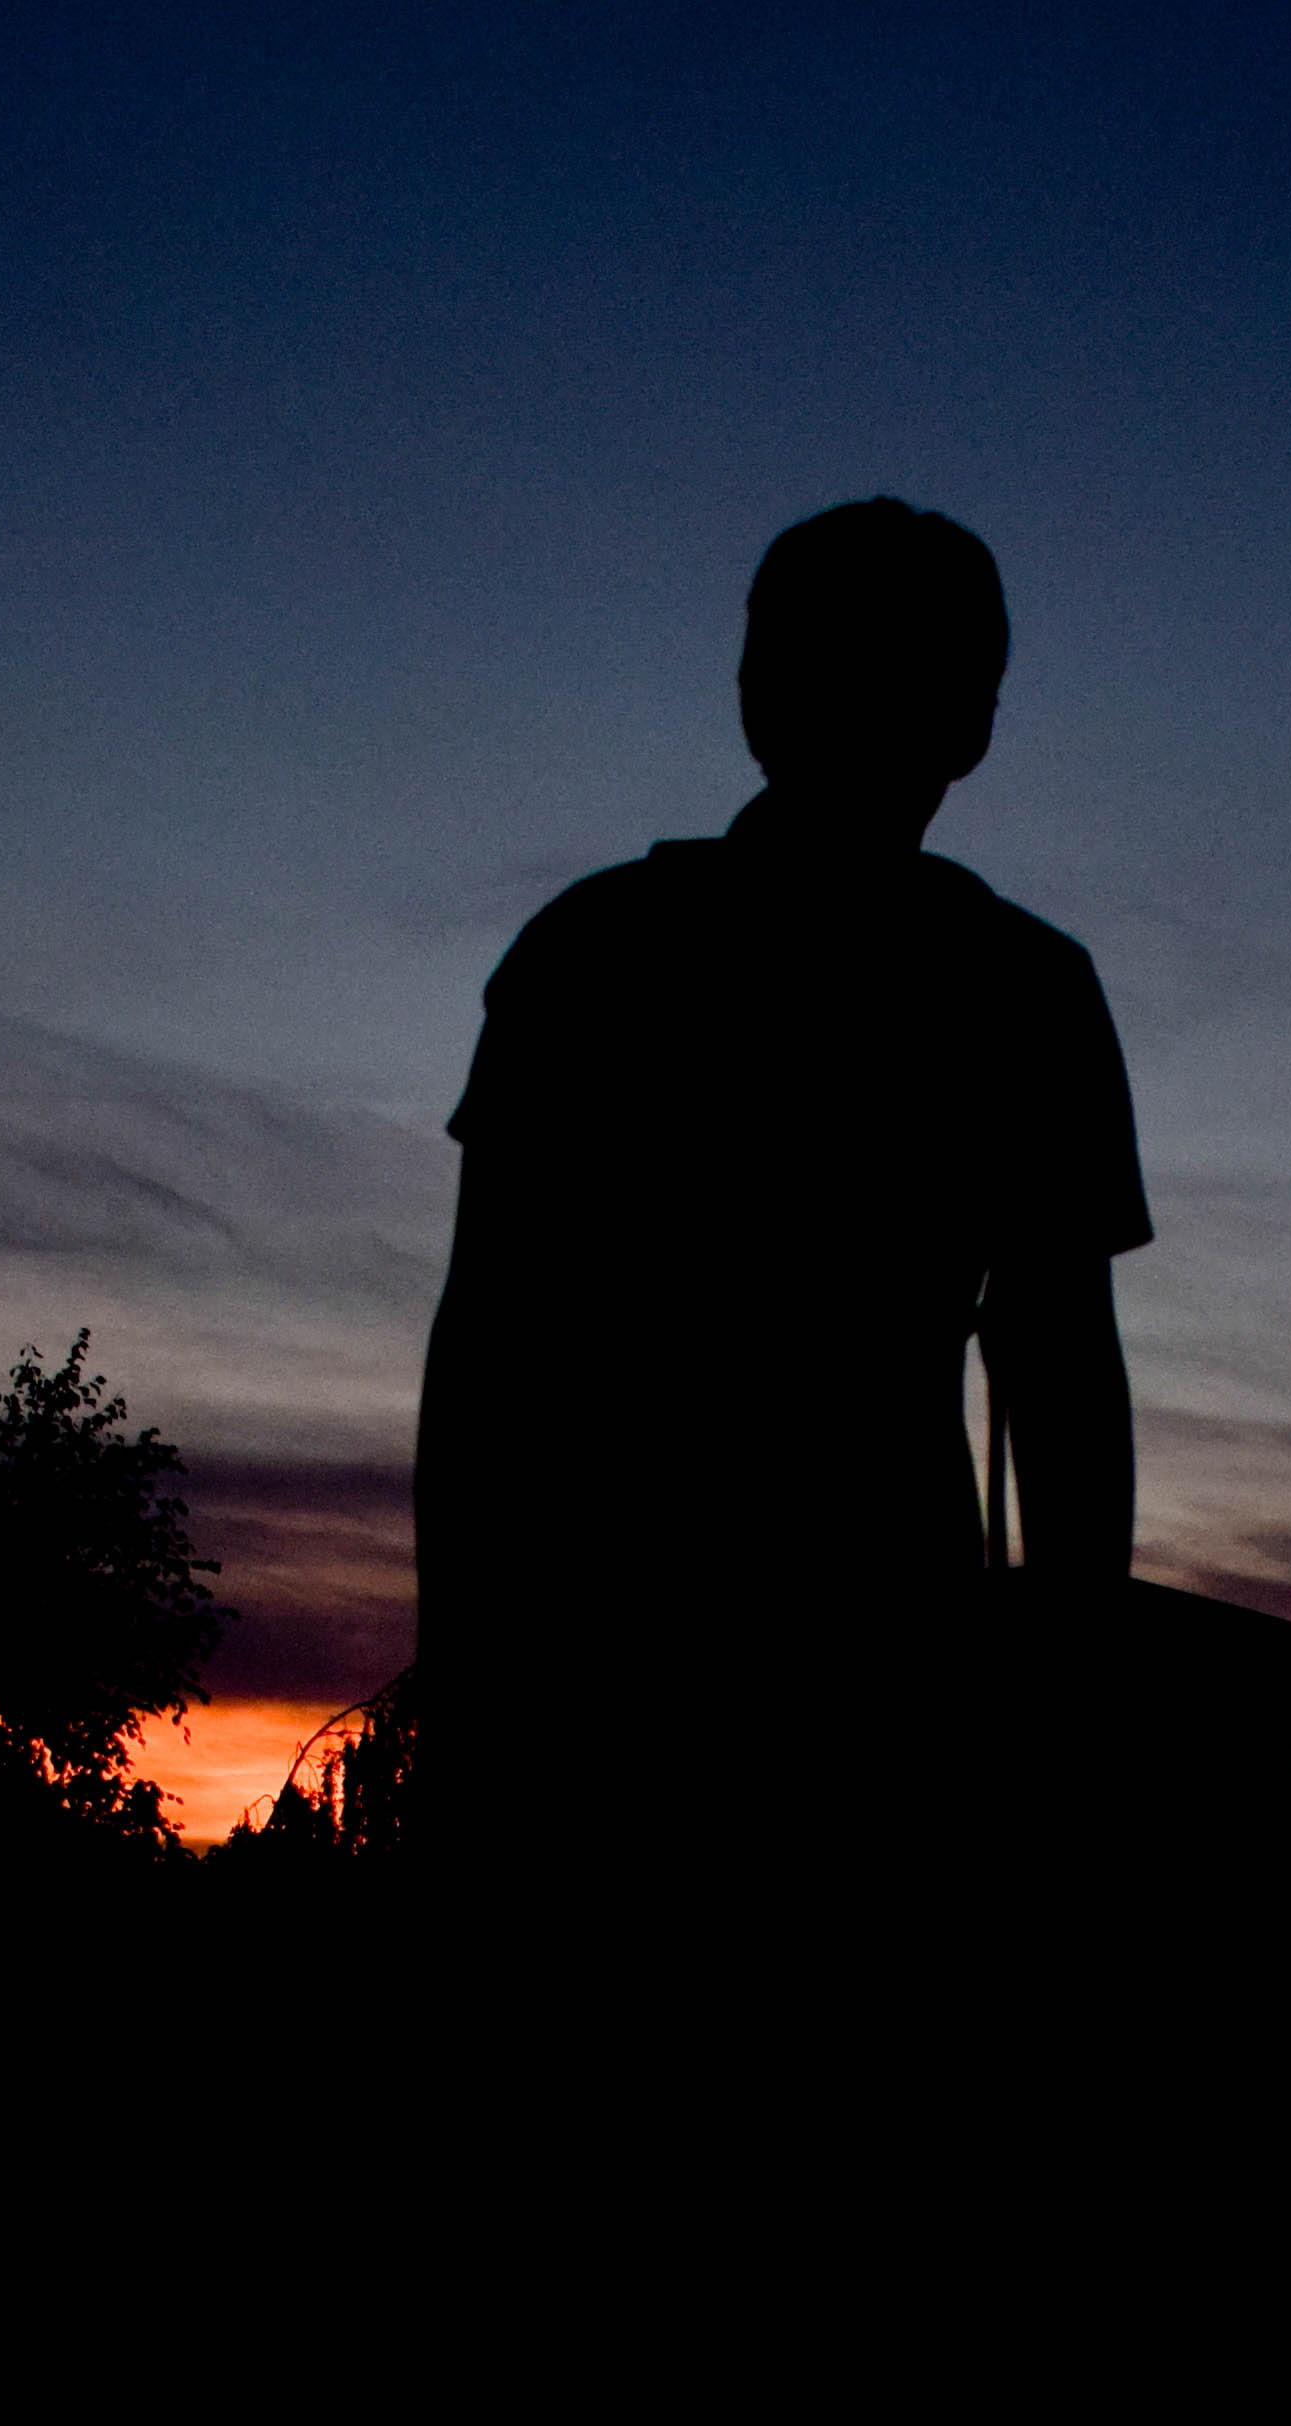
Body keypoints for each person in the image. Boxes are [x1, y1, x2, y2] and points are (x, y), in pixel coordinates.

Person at [413, 499, 1149, 1868]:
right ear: (976, 724)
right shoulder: (1020, 992)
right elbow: (1061, 1380)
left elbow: (485, 1360)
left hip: (634, 1684)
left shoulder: (592, 955)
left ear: (754, 701)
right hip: (828, 1681)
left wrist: (465, 1684)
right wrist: (1069, 1715)